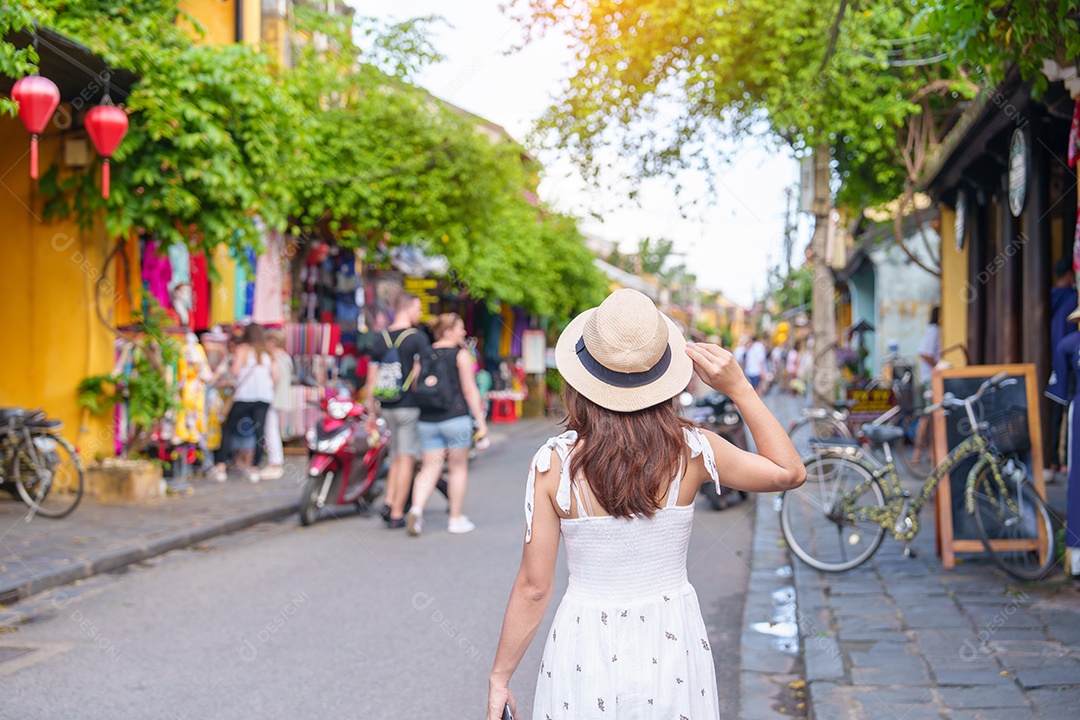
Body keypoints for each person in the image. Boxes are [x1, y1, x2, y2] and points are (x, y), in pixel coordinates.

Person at [485, 289, 805, 720]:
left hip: (584, 646)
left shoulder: (553, 464)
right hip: (672, 641)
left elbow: (534, 587)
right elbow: (788, 472)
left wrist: (500, 678)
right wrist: (740, 389)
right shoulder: (694, 450)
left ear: (581, 378)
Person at [404, 313, 489, 536]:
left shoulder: (422, 354)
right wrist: (480, 422)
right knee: (457, 468)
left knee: (430, 467)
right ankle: (455, 518)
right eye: (460, 328)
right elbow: (470, 390)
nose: (463, 333)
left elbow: (415, 386)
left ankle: (416, 510)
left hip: (427, 420)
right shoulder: (460, 355)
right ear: (448, 331)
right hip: (456, 419)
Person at [364, 292, 432, 528]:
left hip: (386, 407)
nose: (420, 313)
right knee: (406, 458)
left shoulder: (379, 339)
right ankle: (395, 512)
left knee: (394, 456)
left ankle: (389, 499)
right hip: (408, 406)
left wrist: (371, 413)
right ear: (408, 308)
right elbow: (420, 377)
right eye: (418, 308)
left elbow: (370, 381)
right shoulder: (418, 339)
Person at [211, 324, 278, 483]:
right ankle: (254, 467)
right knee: (259, 431)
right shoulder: (268, 352)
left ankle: (221, 466)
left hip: (244, 395)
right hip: (264, 396)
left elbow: (235, 371)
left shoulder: (243, 349)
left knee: (228, 428)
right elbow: (276, 376)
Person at [1048, 258, 1077, 478]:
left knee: (1057, 408)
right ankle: (1066, 460)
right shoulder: (1072, 298)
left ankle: (1055, 461)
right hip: (1072, 359)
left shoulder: (1049, 297)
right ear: (1069, 274)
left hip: (1054, 358)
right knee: (1069, 409)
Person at [260, 329, 294, 481]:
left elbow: (275, 377)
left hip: (272, 397)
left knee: (270, 429)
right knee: (273, 429)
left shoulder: (275, 357)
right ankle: (275, 461)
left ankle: (275, 462)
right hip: (280, 397)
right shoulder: (286, 357)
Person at [911, 306, 941, 466]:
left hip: (930, 378)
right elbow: (924, 353)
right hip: (930, 379)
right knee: (926, 417)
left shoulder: (936, 330)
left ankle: (931, 453)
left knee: (932, 417)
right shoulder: (934, 330)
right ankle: (917, 453)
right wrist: (937, 366)